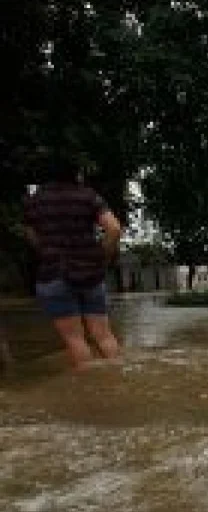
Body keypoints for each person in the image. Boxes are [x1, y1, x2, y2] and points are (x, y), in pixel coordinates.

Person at [21, 157, 123, 370]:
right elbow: (113, 228)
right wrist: (101, 257)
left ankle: (89, 392)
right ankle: (116, 378)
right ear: (75, 174)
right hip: (90, 274)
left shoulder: (34, 201)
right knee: (104, 335)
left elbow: (30, 235)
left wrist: (47, 252)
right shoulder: (88, 196)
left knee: (75, 339)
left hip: (54, 273)